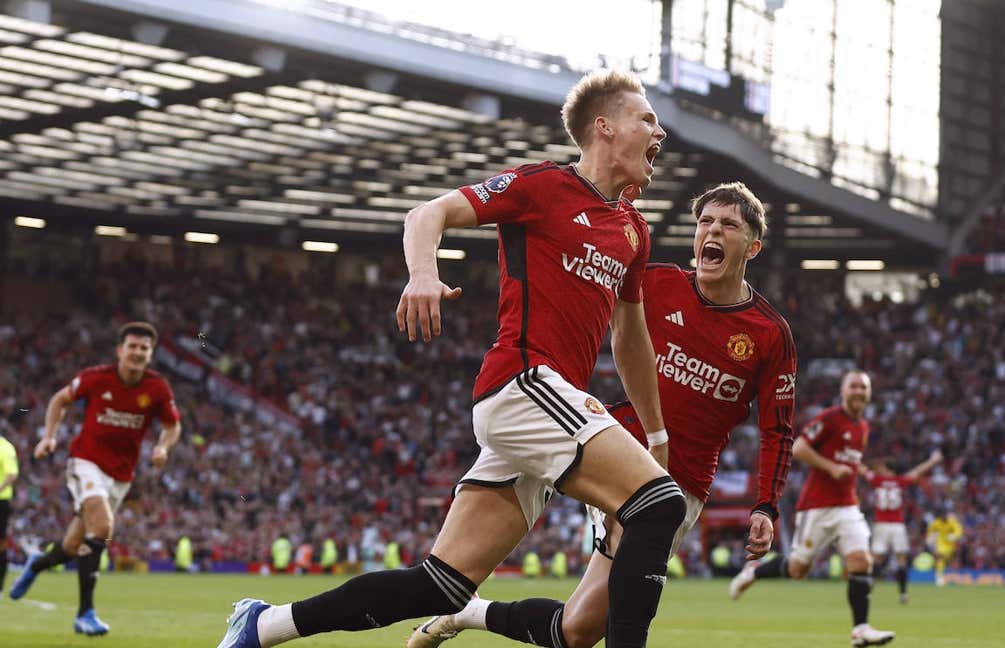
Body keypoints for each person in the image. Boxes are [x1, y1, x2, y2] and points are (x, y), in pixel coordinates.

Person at [216, 68, 681, 648]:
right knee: (658, 503)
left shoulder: (634, 230)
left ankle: (262, 625)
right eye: (648, 119)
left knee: (441, 586)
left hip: (545, 411)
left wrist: (656, 434)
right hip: (522, 383)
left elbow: (630, 339)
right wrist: (422, 275)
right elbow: (425, 215)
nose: (660, 132)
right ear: (605, 127)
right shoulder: (541, 186)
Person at [407, 181, 797, 648]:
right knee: (625, 620)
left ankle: (466, 614)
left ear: (751, 245)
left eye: (728, 225)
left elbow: (777, 429)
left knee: (577, 631)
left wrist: (766, 505)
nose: (712, 231)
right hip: (620, 448)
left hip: (684, 480)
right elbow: (580, 297)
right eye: (705, 222)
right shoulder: (656, 283)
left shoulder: (770, 335)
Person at [9, 321, 181, 637]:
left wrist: (162, 446)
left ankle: (36, 564)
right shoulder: (96, 378)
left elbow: (172, 426)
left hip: (121, 475)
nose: (138, 352)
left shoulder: (157, 388)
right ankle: (84, 613)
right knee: (102, 528)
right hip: (85, 462)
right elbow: (59, 400)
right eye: (132, 346)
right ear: (120, 350)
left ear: (151, 354)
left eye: (144, 348)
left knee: (74, 545)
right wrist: (49, 437)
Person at [729, 370, 896, 647]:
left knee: (861, 562)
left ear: (868, 394)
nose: (858, 391)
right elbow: (799, 447)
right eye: (853, 386)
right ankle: (753, 573)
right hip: (817, 507)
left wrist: (859, 470)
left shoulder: (862, 428)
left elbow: (847, 462)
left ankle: (861, 629)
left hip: (848, 506)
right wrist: (832, 467)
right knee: (797, 569)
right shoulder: (830, 419)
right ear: (843, 391)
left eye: (863, 387)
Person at [862, 450, 942, 603]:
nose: (879, 469)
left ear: (887, 469)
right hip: (897, 526)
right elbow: (918, 471)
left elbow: (862, 470)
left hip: (882, 525)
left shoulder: (877, 480)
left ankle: (868, 593)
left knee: (877, 560)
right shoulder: (900, 481)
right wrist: (933, 460)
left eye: (882, 467)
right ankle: (903, 595)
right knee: (901, 560)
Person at [926, 503, 963, 587]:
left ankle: (945, 576)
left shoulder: (952, 521)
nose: (944, 516)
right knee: (940, 557)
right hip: (940, 544)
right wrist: (929, 539)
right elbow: (930, 532)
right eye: (942, 515)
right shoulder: (936, 523)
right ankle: (939, 577)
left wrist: (954, 536)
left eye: (945, 514)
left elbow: (959, 530)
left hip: (951, 545)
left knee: (944, 560)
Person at [0, 428, 17, 594]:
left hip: (1, 501)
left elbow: (12, 474)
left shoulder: (5, 448)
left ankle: (0, 585)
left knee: (1, 544)